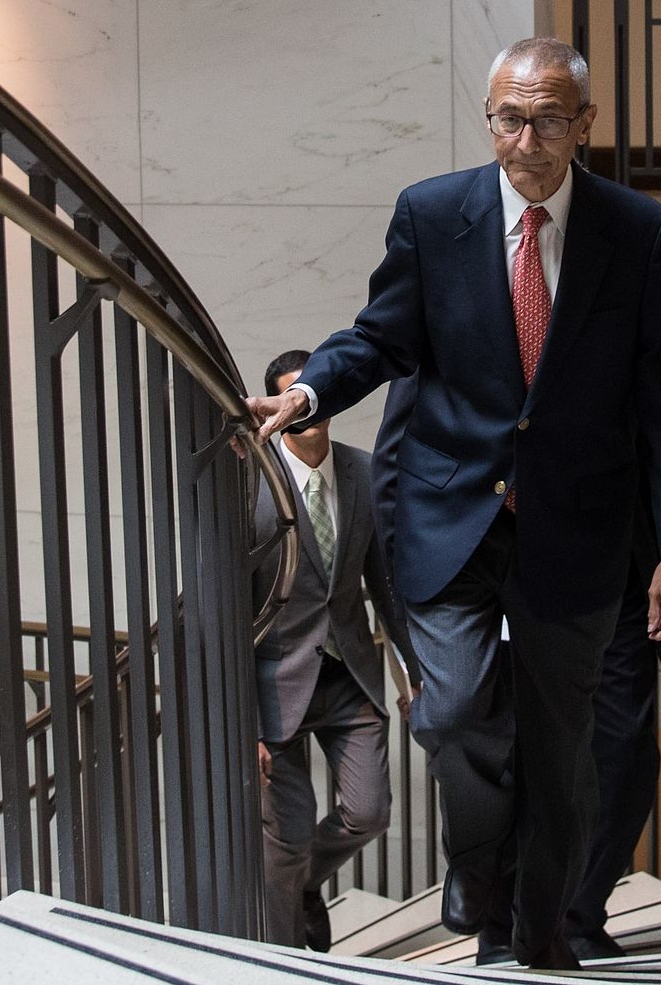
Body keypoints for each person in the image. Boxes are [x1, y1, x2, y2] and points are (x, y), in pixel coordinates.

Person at [247, 37, 661, 971]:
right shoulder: (433, 215)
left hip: (578, 535)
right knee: (454, 712)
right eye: (510, 117)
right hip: (450, 517)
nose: (526, 139)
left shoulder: (640, 233)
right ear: (488, 119)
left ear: (584, 125)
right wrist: (312, 394)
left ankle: (537, 930)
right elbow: (379, 335)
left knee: (562, 750)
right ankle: (480, 869)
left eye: (549, 119)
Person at [373, 377, 661, 965]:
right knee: (507, 755)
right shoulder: (454, 297)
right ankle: (506, 927)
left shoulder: (617, 298)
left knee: (623, 758)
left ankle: (568, 911)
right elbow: (394, 461)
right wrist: (411, 621)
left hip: (615, 570)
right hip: (490, 574)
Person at [251, 349, 422, 952]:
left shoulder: (365, 472)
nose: (305, 415)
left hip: (350, 673)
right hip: (274, 685)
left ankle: (297, 886)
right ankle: (280, 956)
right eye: (288, 400)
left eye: (311, 399)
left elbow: (386, 584)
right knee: (286, 837)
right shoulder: (251, 481)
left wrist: (411, 673)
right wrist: (243, 725)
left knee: (370, 812)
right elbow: (228, 611)